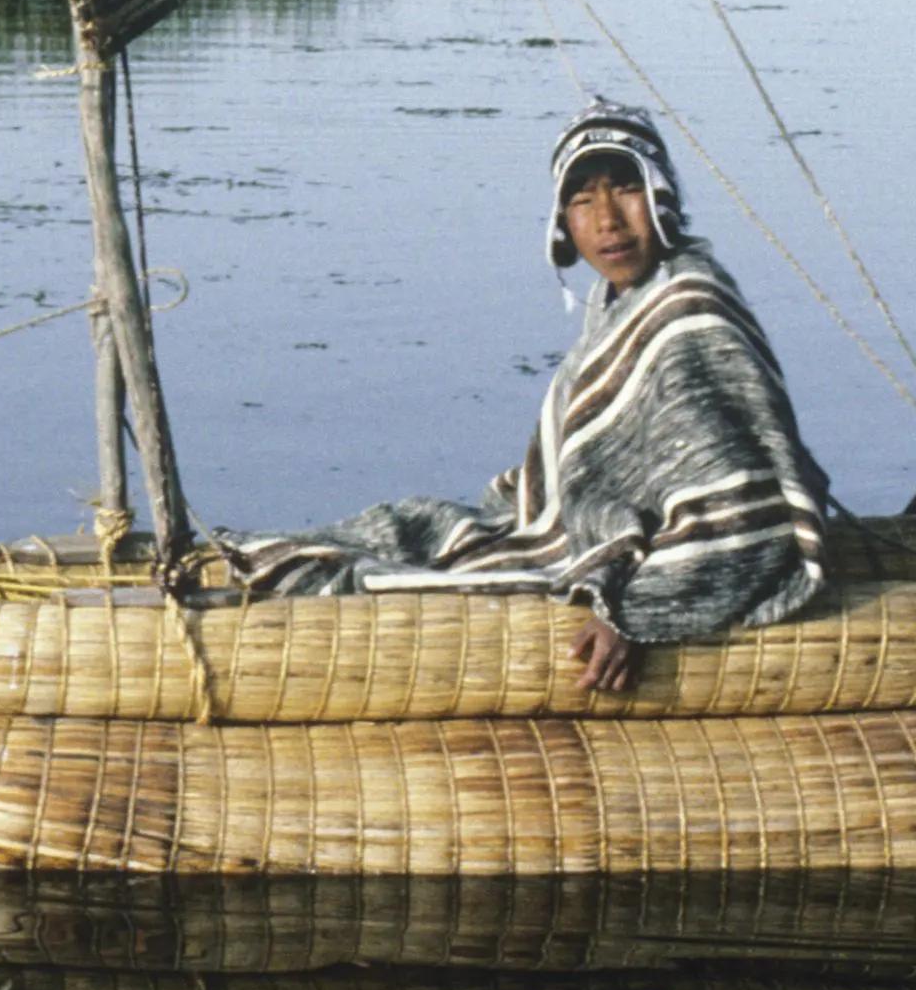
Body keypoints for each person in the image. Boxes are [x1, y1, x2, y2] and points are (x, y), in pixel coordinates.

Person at [221, 107, 838, 696]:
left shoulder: (688, 308)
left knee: (393, 572)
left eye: (624, 190)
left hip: (676, 555)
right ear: (562, 222)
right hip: (603, 527)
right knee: (414, 529)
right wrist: (545, 502)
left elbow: (742, 500)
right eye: (581, 200)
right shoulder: (621, 299)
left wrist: (637, 610)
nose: (607, 221)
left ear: (660, 196)